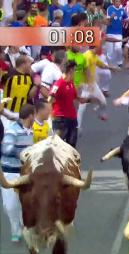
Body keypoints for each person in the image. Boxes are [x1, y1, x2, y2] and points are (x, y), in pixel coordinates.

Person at [0, 104, 35, 242]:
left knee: (26, 201)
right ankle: (16, 226)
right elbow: (7, 149)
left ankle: (22, 225)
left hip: (25, 173)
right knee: (9, 205)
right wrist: (23, 154)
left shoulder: (32, 131)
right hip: (10, 172)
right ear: (31, 116)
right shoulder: (12, 131)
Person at [48, 61, 93, 148]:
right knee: (58, 146)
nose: (76, 73)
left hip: (72, 118)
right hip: (61, 119)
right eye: (75, 70)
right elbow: (50, 99)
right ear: (71, 70)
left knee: (72, 145)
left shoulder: (71, 83)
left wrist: (89, 100)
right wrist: (52, 116)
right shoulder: (59, 84)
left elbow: (75, 98)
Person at [1, 55, 37, 124]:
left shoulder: (29, 77)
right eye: (29, 63)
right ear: (23, 64)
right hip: (6, 112)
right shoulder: (8, 74)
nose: (30, 65)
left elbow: (29, 96)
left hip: (20, 114)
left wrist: (36, 85)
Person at [105, 0, 128, 67]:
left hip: (119, 33)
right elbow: (107, 21)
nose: (118, 3)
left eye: (119, 2)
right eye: (117, 1)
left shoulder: (122, 9)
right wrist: (111, 17)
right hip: (110, 32)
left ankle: (119, 61)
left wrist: (128, 19)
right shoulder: (110, 8)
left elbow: (126, 18)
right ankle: (109, 64)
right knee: (110, 50)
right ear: (114, 2)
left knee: (118, 48)